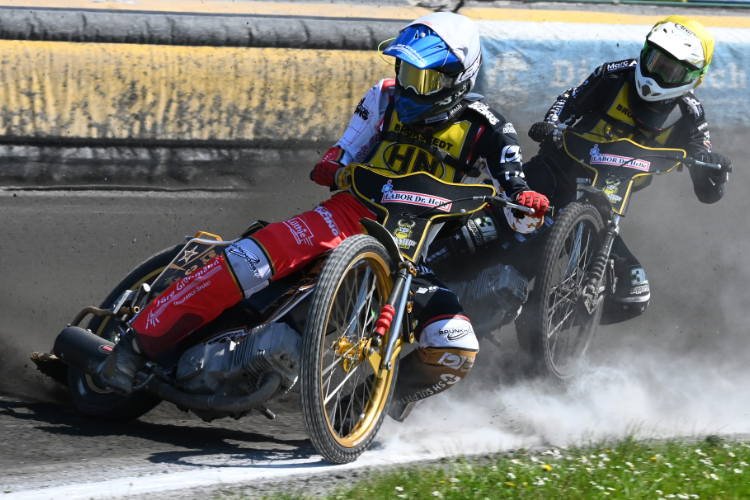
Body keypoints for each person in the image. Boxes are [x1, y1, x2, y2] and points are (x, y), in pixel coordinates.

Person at [100, 12, 549, 421]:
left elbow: (516, 185)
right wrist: (334, 164)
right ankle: (135, 345)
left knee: (456, 345)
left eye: (425, 79)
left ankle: (369, 406)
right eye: (406, 71)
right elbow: (344, 149)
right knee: (248, 260)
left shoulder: (488, 125)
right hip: (344, 217)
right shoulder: (384, 96)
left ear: (457, 79)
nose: (410, 86)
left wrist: (529, 200)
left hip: (413, 254)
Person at [522, 15, 731, 323]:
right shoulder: (613, 74)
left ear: (693, 76)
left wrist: (715, 171)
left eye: (670, 69)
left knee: (633, 295)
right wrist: (551, 124)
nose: (656, 71)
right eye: (654, 58)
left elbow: (707, 188)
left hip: (607, 201)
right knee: (505, 230)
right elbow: (568, 100)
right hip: (557, 170)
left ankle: (537, 326)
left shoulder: (691, 113)